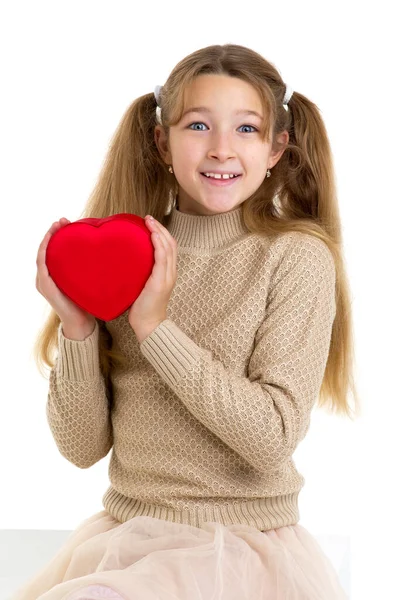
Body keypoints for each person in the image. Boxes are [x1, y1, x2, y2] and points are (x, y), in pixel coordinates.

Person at [14, 43, 359, 600]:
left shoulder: (293, 257)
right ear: (161, 142)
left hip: (242, 546)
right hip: (129, 538)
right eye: (198, 125)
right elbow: (81, 448)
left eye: (246, 129)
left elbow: (272, 437)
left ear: (276, 149)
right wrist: (77, 326)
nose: (221, 148)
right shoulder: (126, 254)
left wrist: (155, 329)